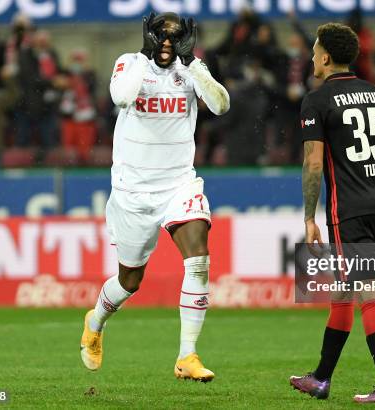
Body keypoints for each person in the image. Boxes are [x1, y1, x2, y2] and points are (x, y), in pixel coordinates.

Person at [80, 13, 230, 382]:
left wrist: (194, 64)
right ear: (148, 35)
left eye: (175, 37)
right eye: (161, 36)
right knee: (130, 280)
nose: (168, 42)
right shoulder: (129, 63)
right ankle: (96, 320)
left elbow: (221, 105)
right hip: (133, 190)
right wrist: (146, 56)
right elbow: (121, 96)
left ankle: (187, 356)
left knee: (198, 259)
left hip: (179, 184)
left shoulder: (191, 69)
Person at [289, 23, 375, 403]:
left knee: (367, 290)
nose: (311, 56)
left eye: (314, 50)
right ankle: (321, 378)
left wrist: (309, 217)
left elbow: (314, 164)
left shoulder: (317, 101)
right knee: (345, 289)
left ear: (324, 56)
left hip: (348, 211)